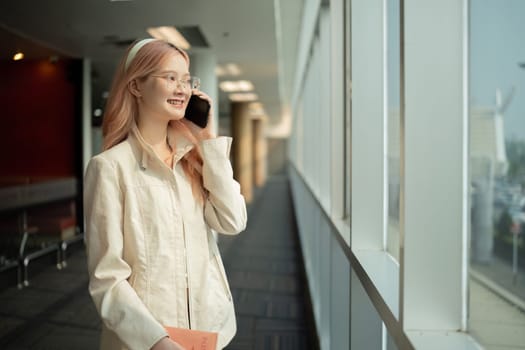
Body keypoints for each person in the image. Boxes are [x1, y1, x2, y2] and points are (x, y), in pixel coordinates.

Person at [83, 38, 247, 350]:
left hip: (207, 332)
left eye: (187, 80)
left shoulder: (194, 160)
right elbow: (107, 278)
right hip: (146, 340)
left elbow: (233, 221)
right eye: (170, 78)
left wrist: (208, 139)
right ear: (136, 86)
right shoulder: (109, 168)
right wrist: (157, 341)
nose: (182, 89)